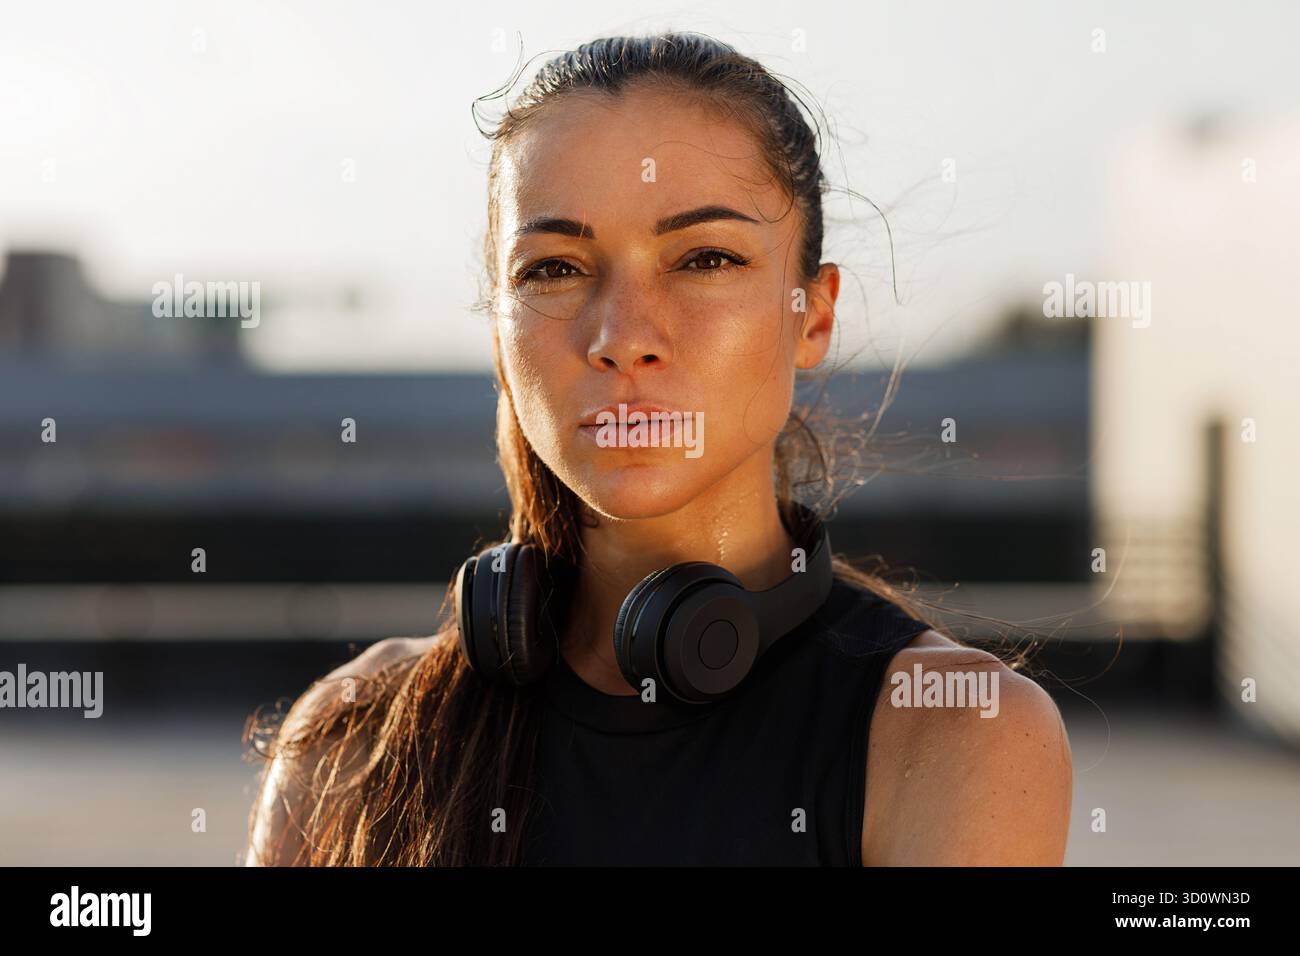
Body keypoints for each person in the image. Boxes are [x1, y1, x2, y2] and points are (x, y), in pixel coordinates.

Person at [244, 32, 1072, 867]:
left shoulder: (954, 737)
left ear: (811, 317)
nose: (623, 337)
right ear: (499, 336)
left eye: (704, 258)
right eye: (555, 269)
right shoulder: (351, 741)